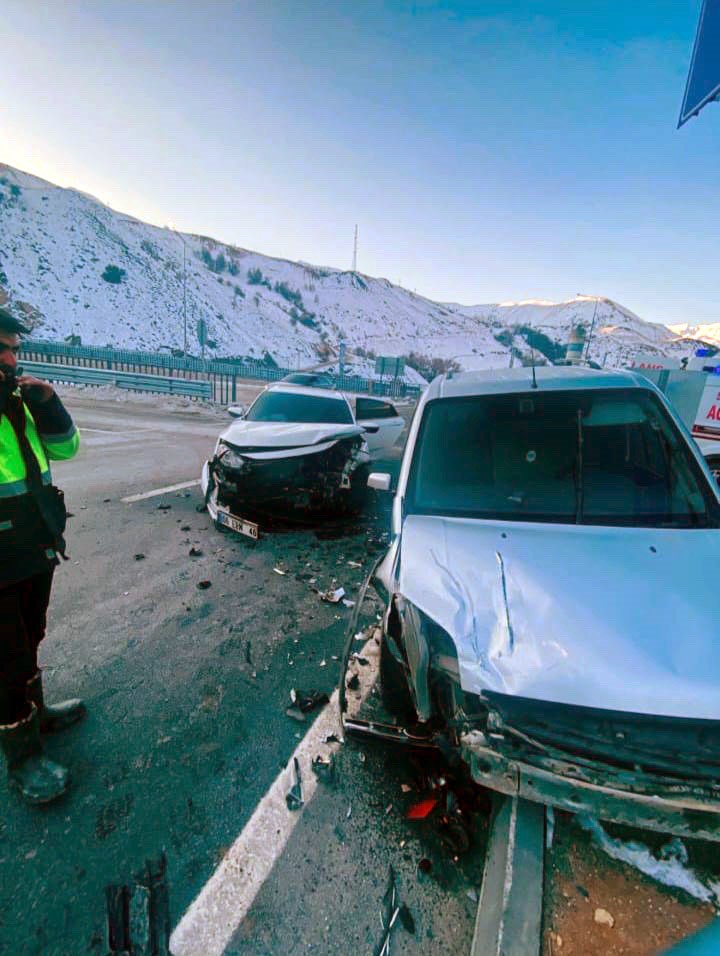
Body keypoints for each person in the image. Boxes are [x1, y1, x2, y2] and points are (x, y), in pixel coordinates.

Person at [0, 307, 84, 804]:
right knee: (5, 655)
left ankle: (37, 714)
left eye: (14, 350)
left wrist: (49, 404)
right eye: (1, 350)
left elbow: (68, 449)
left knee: (31, 635)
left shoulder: (21, 400)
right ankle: (22, 755)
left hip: (33, 546)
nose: (10, 359)